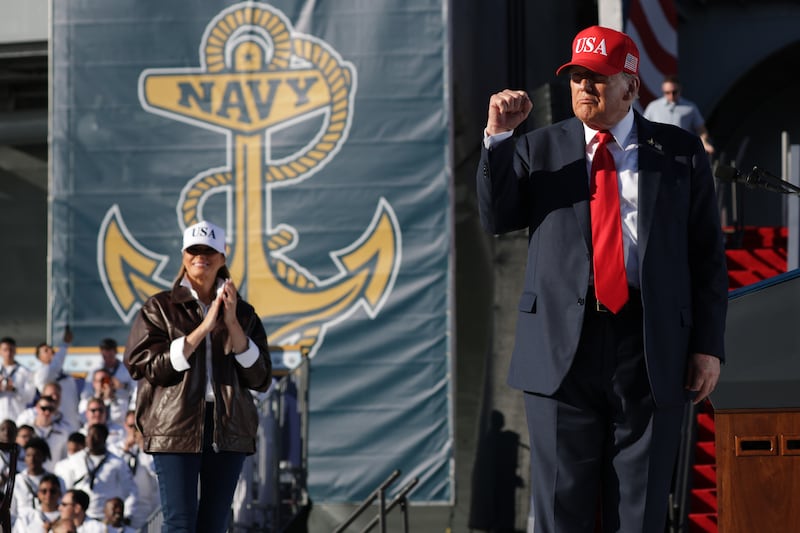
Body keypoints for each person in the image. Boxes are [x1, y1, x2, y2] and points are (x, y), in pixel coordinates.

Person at [477, 25, 728, 532]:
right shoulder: (538, 148)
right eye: (576, 78)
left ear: (632, 88)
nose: (584, 88)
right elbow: (496, 217)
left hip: (650, 347)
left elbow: (707, 255)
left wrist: (708, 345)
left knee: (639, 513)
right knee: (558, 508)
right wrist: (500, 137)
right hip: (559, 353)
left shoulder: (679, 152)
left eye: (597, 78)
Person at [124, 220, 272, 533]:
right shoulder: (159, 307)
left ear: (223, 256)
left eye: (209, 250)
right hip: (174, 424)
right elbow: (144, 365)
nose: (200, 256)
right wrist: (204, 327)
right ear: (183, 255)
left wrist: (232, 324)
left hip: (228, 426)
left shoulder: (244, 314)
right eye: (194, 250)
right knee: (180, 523)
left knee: (214, 525)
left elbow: (260, 378)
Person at [57, 424, 136, 523]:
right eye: (89, 435)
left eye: (96, 435)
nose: (91, 439)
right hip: (79, 518)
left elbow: (130, 490)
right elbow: (66, 488)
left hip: (105, 518)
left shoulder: (117, 463)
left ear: (105, 438)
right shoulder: (75, 460)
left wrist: (127, 514)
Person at [643, 74, 714, 156]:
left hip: (681, 153)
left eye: (674, 92)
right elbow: (644, 128)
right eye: (667, 93)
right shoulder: (653, 106)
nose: (671, 96)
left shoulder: (690, 107)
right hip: (658, 152)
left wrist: (704, 142)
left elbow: (701, 129)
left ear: (680, 89)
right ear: (663, 91)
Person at [81, 339, 135, 425]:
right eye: (104, 356)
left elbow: (135, 390)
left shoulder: (126, 370)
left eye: (110, 356)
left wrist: (122, 386)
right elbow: (86, 394)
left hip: (119, 409)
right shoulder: (95, 371)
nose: (107, 360)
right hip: (98, 409)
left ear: (115, 353)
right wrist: (98, 394)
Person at [0, 337, 37, 424]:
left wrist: (14, 389)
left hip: (17, 418)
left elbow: (30, 398)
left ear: (15, 351)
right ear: (0, 351)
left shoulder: (25, 372)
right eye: (5, 350)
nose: (8, 353)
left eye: (11, 350)